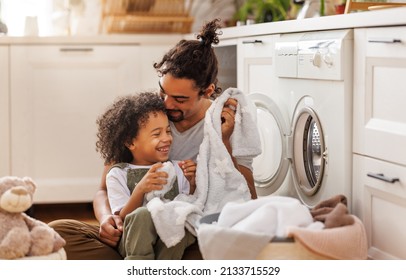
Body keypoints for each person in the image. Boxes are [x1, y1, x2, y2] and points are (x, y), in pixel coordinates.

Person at [49, 18, 257, 260]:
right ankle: (143, 260)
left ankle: (140, 262)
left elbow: (247, 197)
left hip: (183, 229)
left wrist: (225, 142)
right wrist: (108, 219)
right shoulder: (148, 115)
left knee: (222, 246)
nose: (166, 104)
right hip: (132, 226)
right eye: (163, 91)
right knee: (58, 232)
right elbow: (104, 189)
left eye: (179, 99)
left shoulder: (224, 123)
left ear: (207, 91)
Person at [96, 92, 197, 259]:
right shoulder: (118, 173)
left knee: (183, 221)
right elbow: (122, 218)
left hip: (167, 238)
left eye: (168, 131)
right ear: (130, 142)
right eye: (157, 134)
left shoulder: (177, 168)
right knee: (142, 215)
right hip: (132, 241)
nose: (166, 138)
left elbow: (188, 202)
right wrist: (140, 189)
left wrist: (192, 183)